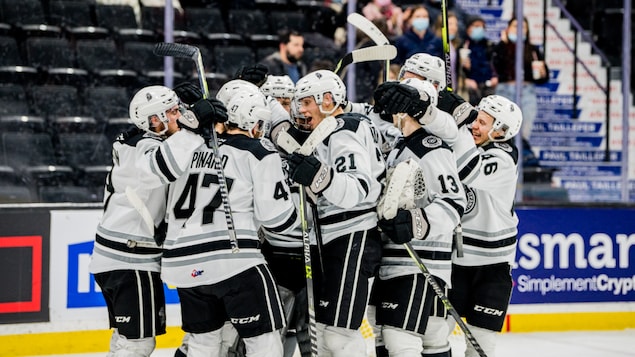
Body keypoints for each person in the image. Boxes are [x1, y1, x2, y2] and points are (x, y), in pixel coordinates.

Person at [88, 85, 226, 357]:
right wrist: (193, 125)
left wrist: (197, 116)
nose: (181, 114)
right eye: (173, 111)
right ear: (154, 121)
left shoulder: (139, 141)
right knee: (138, 344)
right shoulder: (143, 148)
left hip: (118, 257)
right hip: (130, 257)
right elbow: (166, 166)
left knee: (124, 340)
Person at [161, 89, 300, 357]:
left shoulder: (190, 147)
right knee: (265, 342)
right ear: (253, 121)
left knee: (202, 344)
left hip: (184, 265)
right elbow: (277, 220)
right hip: (234, 261)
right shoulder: (259, 152)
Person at [285, 69, 384, 356]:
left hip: (353, 234)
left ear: (327, 100)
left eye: (306, 102)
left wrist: (318, 177)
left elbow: (357, 189)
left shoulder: (342, 128)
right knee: (328, 334)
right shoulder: (330, 131)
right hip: (336, 236)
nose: (300, 110)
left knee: (339, 335)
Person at [371, 78, 466, 357]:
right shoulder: (400, 146)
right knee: (432, 341)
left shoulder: (430, 147)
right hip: (404, 262)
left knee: (399, 339)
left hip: (418, 263)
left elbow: (453, 201)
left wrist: (415, 222)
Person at [446, 94, 523, 357]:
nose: (474, 126)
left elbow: (469, 172)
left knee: (480, 346)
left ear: (501, 130)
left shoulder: (503, 156)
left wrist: (457, 120)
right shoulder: (472, 147)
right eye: (475, 119)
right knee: (434, 334)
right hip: (456, 260)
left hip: (492, 264)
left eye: (481, 122)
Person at [492, 16, 548, 143]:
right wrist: (503, 44)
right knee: (502, 130)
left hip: (527, 90)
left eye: (523, 27)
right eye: (515, 26)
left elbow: (542, 78)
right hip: (505, 90)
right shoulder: (501, 47)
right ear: (508, 28)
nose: (519, 30)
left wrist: (542, 73)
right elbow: (496, 67)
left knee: (525, 130)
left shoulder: (533, 49)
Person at [460, 15, 498, 106]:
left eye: (482, 27)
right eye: (476, 26)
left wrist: (494, 77)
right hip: (469, 88)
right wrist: (464, 79)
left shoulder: (489, 45)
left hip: (488, 87)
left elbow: (495, 64)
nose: (480, 29)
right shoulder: (462, 45)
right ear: (468, 28)